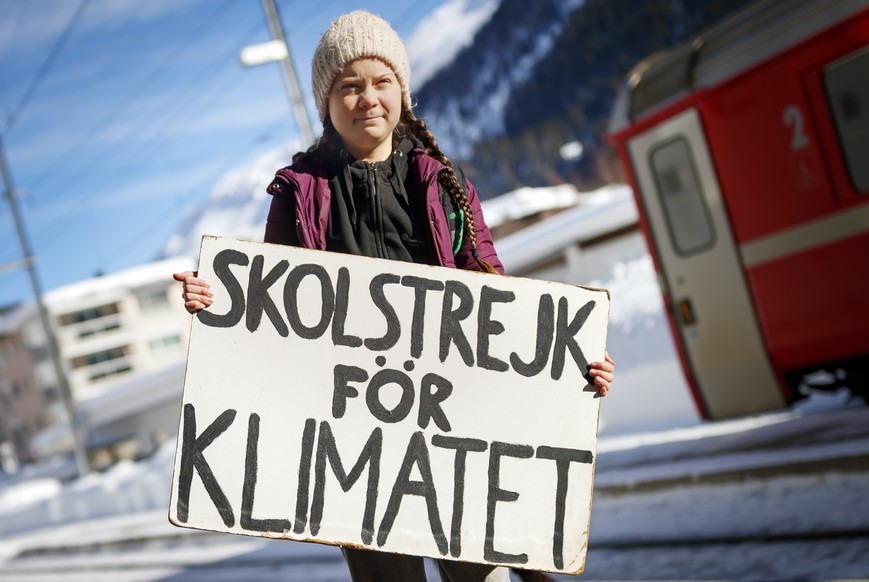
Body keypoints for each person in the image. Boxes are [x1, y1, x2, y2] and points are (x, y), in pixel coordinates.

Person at [174, 10, 615, 582]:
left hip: (458, 435)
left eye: (381, 81)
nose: (367, 98)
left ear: (402, 92)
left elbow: (498, 305)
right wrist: (220, 304)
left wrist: (568, 362)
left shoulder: (445, 184)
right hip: (359, 455)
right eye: (349, 86)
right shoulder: (299, 195)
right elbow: (270, 317)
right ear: (327, 104)